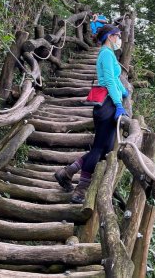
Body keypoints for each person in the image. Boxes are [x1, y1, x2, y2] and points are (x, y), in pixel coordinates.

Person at [54, 24, 129, 203]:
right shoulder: (106, 54)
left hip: (109, 103)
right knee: (98, 149)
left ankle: (67, 172)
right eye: (118, 35)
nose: (119, 39)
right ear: (110, 37)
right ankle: (80, 190)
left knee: (105, 149)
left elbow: (115, 80)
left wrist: (124, 91)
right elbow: (109, 80)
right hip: (107, 105)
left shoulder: (109, 54)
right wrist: (119, 103)